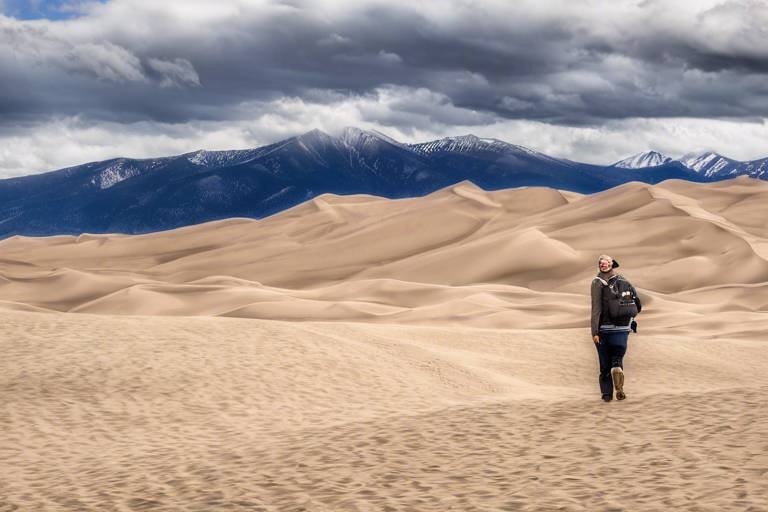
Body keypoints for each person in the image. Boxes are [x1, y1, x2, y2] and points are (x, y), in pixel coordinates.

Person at [590, 254, 642, 402]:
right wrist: (629, 322)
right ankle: (617, 372)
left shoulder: (597, 282)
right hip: (623, 330)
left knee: (604, 365)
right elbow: (637, 304)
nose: (603, 265)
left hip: (605, 330)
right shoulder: (623, 280)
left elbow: (596, 309)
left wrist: (594, 331)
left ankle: (607, 396)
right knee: (617, 359)